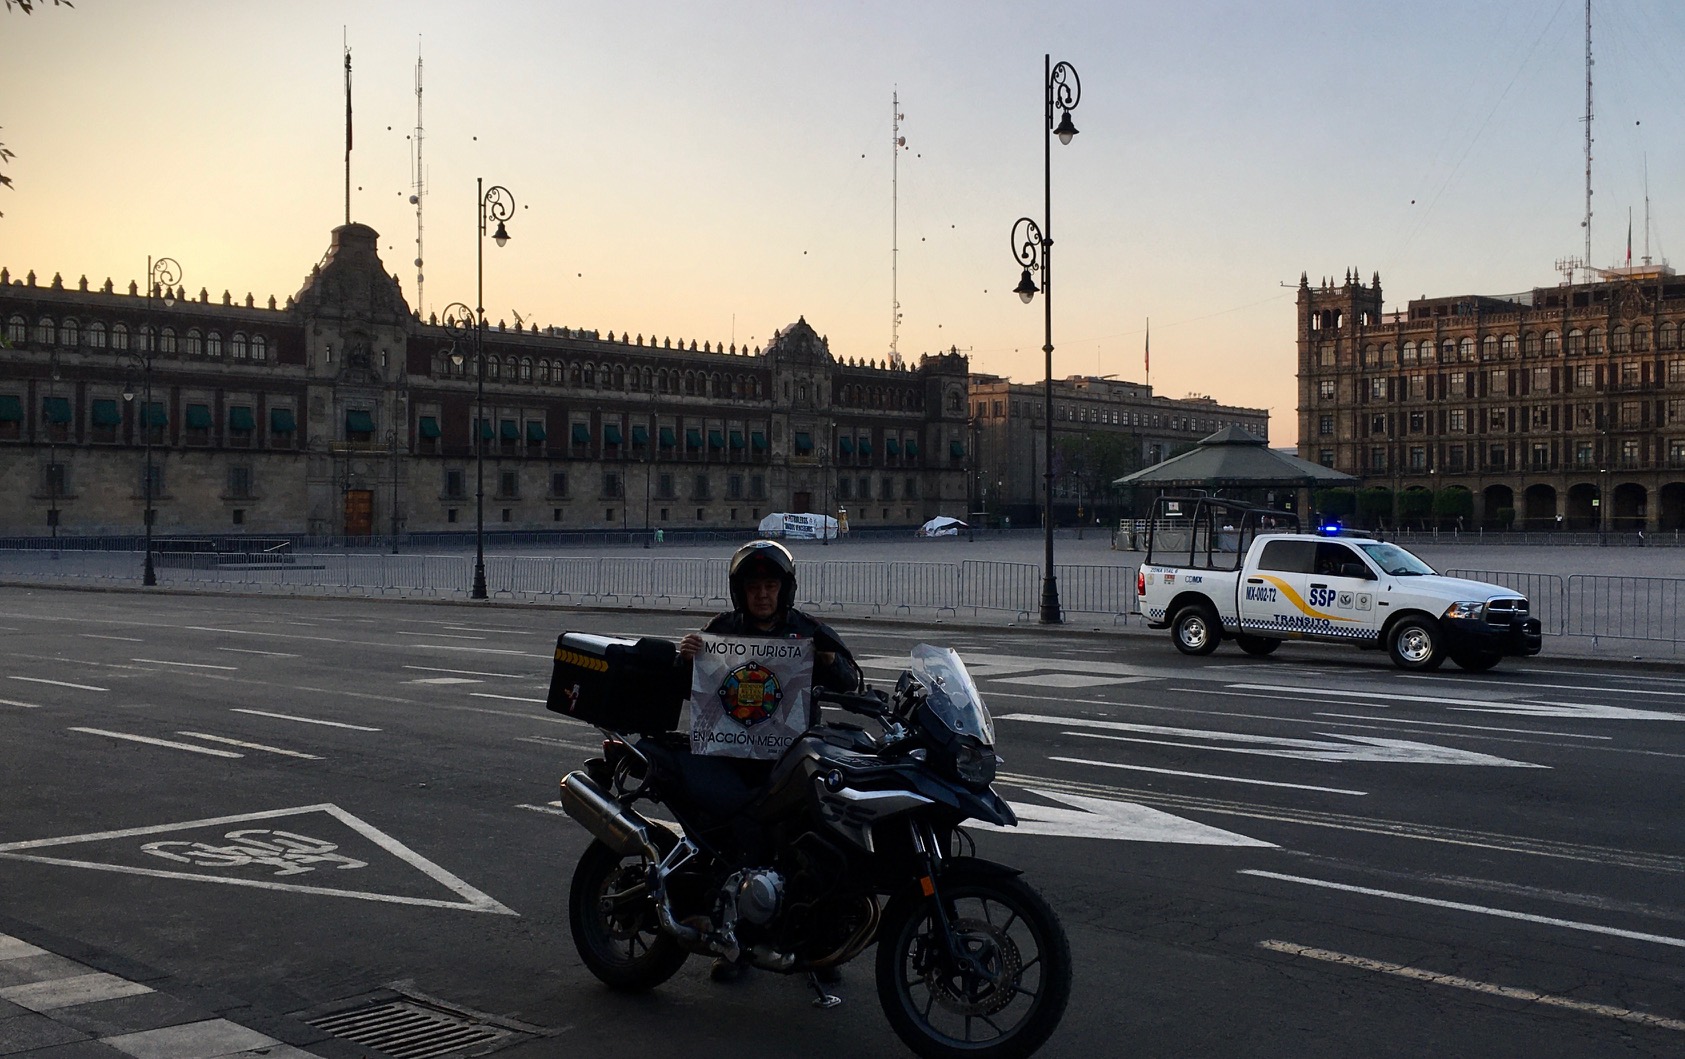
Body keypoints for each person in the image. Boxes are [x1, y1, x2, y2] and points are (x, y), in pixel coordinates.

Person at [676, 539, 860, 984]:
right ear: (741, 591)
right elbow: (692, 690)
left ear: (785, 589)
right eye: (755, 585)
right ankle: (732, 944)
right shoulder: (720, 630)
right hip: (737, 761)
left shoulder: (809, 631)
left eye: (771, 585)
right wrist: (686, 658)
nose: (763, 593)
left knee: (817, 851)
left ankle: (820, 949)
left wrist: (830, 663)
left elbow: (852, 682)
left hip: (794, 763)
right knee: (738, 848)